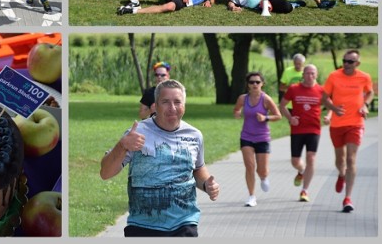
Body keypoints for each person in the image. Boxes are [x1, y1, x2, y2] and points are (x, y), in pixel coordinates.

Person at [100, 79, 220, 237]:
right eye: (165, 102)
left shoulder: (194, 135)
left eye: (177, 102)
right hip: (143, 226)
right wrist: (122, 145)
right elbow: (105, 173)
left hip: (185, 223)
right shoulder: (137, 134)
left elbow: (197, 168)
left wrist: (206, 184)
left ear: (184, 105)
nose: (172, 108)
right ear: (155, 106)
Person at [322, 50, 374, 213]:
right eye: (345, 60)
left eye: (350, 62)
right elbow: (324, 97)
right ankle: (341, 174)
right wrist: (333, 109)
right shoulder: (334, 76)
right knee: (340, 160)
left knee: (351, 159)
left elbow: (370, 92)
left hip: (356, 123)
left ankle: (347, 198)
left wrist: (365, 104)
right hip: (337, 124)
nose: (346, 64)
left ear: (357, 63)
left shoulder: (364, 77)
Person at [232, 72, 282, 207]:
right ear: (248, 85)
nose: (254, 84)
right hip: (246, 136)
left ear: (262, 84)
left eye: (257, 82)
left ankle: (264, 177)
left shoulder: (266, 99)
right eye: (251, 82)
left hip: (262, 137)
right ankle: (251, 196)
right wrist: (237, 113)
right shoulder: (243, 98)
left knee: (262, 170)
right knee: (249, 166)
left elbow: (278, 115)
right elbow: (236, 109)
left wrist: (266, 118)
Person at [279, 64, 324, 202]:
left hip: (314, 129)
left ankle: (305, 191)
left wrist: (328, 117)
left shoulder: (321, 90)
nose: (310, 76)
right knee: (295, 161)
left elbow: (332, 106)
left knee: (311, 158)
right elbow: (282, 105)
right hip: (297, 129)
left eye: (313, 73)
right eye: (307, 73)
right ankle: (301, 171)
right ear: (303, 75)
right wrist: (290, 118)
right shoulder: (294, 89)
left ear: (316, 75)